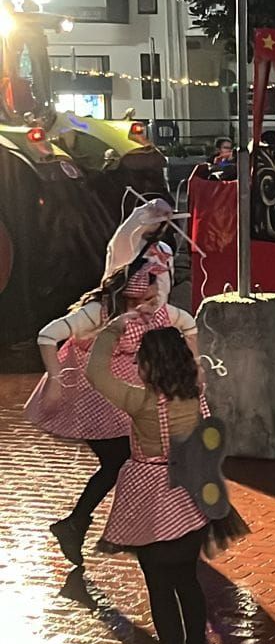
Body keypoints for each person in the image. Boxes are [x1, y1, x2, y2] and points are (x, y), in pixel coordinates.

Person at [25, 207, 196, 570]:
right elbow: (48, 334)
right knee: (119, 461)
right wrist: (56, 381)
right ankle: (79, 524)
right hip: (87, 396)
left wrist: (195, 367)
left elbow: (188, 324)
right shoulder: (98, 313)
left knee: (133, 458)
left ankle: (106, 524)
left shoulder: (156, 312)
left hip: (118, 398)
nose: (152, 297)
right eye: (147, 288)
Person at [86, 319, 246, 644]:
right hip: (192, 497)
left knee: (160, 588)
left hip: (151, 500)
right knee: (188, 582)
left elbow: (95, 372)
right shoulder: (196, 393)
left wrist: (112, 331)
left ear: (148, 366)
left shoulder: (140, 401)